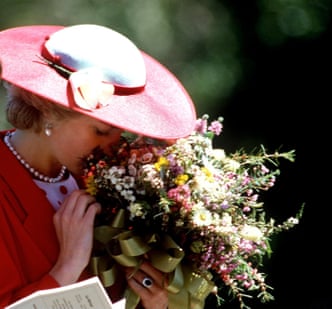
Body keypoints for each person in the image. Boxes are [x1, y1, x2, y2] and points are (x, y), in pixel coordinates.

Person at [0, 24, 197, 308]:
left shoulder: (113, 185)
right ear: (47, 110)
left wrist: (153, 303)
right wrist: (66, 269)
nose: (114, 147)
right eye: (102, 131)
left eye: (121, 133)